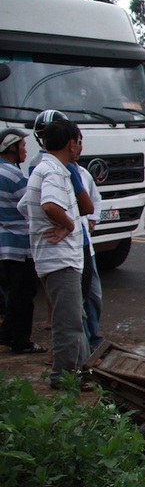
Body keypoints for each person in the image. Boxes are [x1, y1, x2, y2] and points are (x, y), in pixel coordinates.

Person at [17, 117, 90, 389]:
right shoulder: (54, 171)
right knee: (68, 323)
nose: (80, 148)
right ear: (71, 144)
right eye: (79, 142)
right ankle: (64, 377)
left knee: (75, 318)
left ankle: (83, 371)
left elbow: (25, 206)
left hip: (57, 258)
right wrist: (67, 225)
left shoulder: (46, 168)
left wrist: (41, 227)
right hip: (60, 260)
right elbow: (49, 205)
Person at [0, 128, 45, 354]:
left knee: (11, 293)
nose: (25, 150)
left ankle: (8, 332)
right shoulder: (14, 176)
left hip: (3, 244)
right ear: (11, 148)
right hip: (19, 244)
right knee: (24, 294)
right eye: (22, 146)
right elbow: (30, 205)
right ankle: (20, 341)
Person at [78, 165, 103, 348]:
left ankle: (93, 338)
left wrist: (93, 218)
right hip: (67, 251)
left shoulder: (82, 173)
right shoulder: (49, 171)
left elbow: (95, 198)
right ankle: (84, 344)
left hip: (86, 246)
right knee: (76, 300)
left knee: (93, 296)